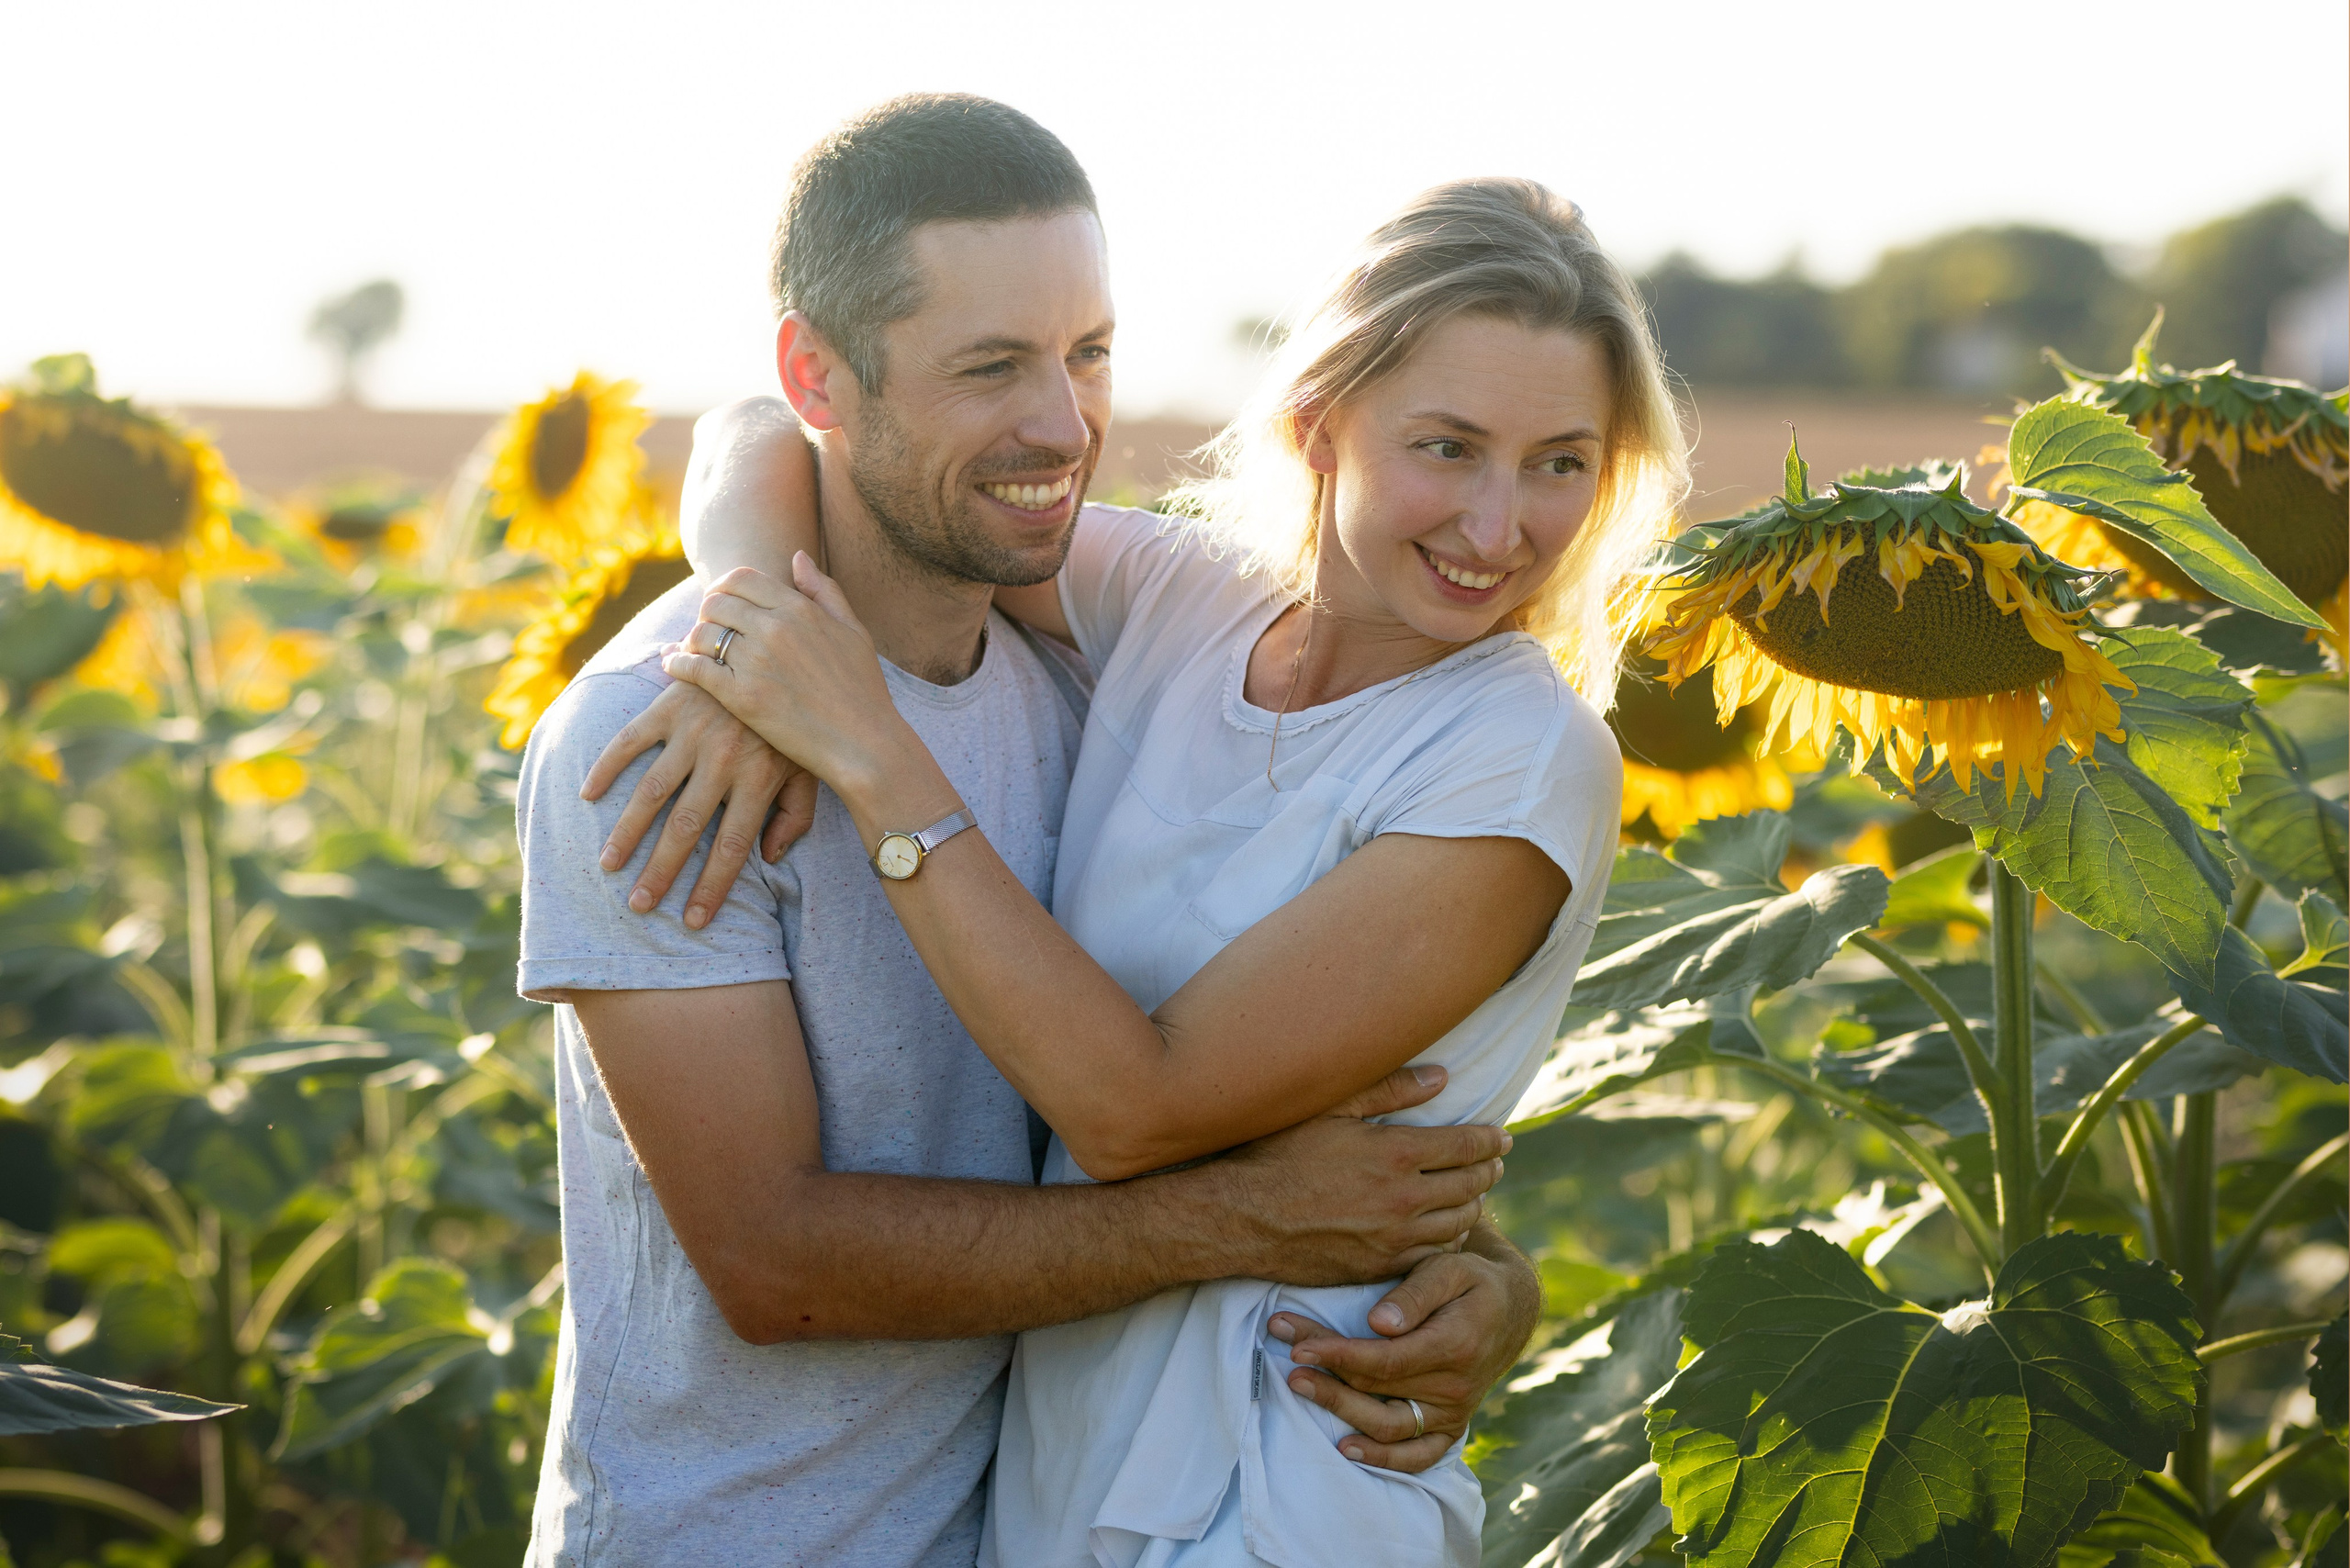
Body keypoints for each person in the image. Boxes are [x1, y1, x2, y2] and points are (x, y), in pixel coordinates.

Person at [515, 95, 1538, 1568]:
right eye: (991, 366)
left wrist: (1481, 1279)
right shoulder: (658, 743)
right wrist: (1249, 1223)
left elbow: (1223, 1096)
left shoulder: (1095, 688)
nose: (1064, 426)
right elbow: (770, 1261)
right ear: (821, 369)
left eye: (1090, 352)